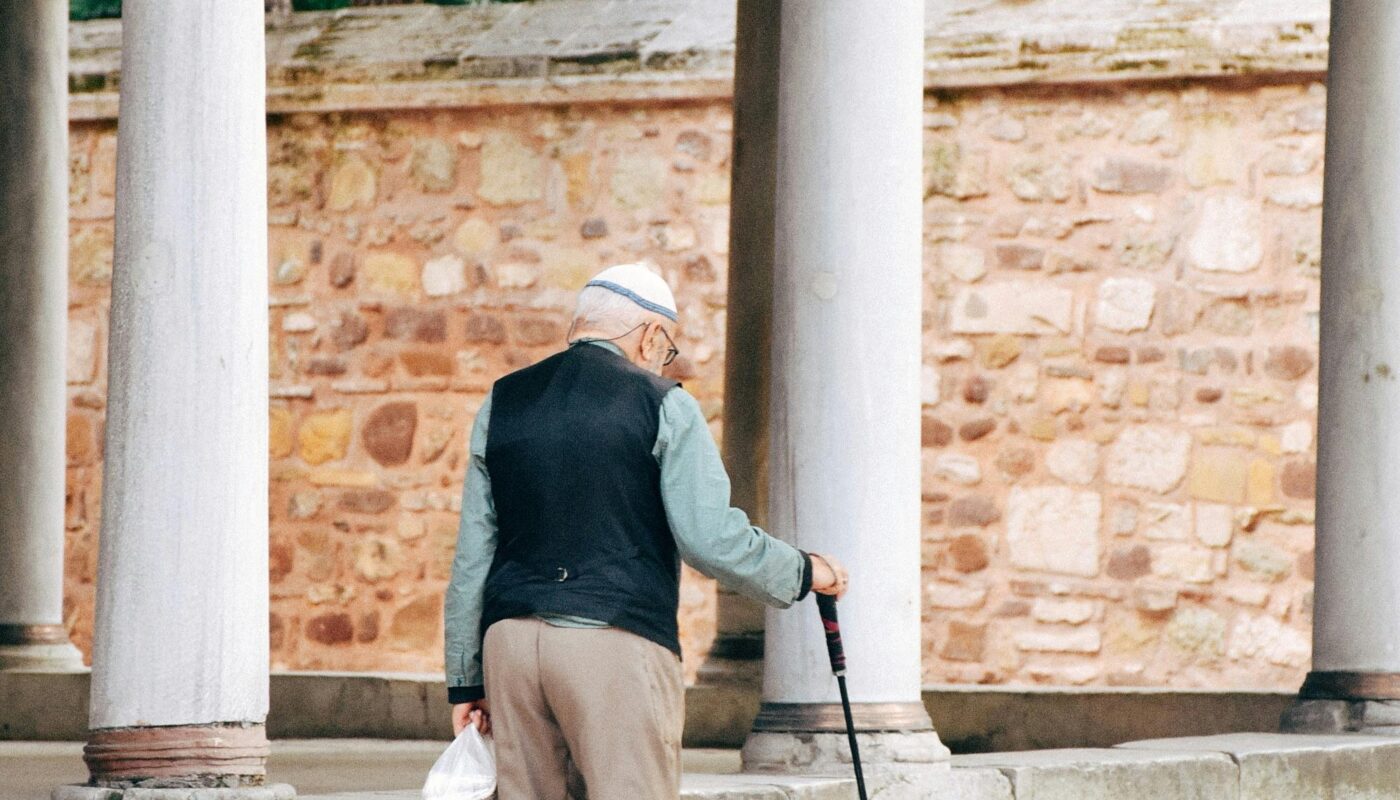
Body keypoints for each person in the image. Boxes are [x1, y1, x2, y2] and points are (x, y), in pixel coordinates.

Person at [443, 262, 849, 800]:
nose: (665, 360)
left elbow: (473, 556)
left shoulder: (502, 402)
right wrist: (803, 570)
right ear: (653, 335)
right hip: (614, 645)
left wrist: (467, 681)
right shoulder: (665, 404)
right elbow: (710, 539)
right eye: (667, 346)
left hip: (510, 650)